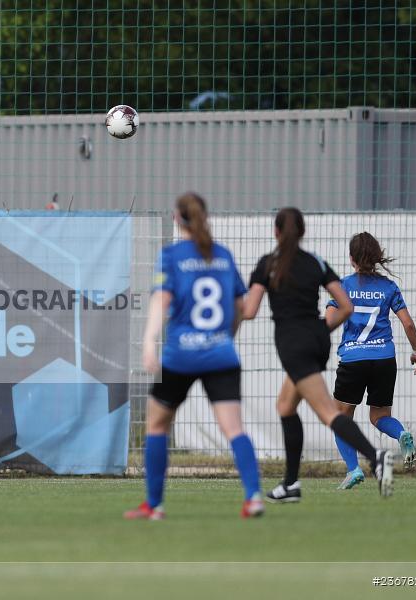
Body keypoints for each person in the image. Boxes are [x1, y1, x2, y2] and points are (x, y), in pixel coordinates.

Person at [124, 193, 264, 521]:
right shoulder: (224, 255)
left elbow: (160, 301)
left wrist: (148, 342)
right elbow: (242, 308)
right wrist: (224, 336)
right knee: (234, 429)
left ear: (176, 218)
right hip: (221, 355)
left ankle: (154, 506)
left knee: (157, 424)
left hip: (180, 356)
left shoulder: (172, 255)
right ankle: (254, 497)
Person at [242, 207, 395, 502]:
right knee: (286, 406)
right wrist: (322, 331)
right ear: (302, 232)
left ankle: (376, 459)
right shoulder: (316, 262)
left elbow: (249, 311)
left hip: (293, 345)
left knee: (329, 413)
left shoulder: (267, 264)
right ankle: (290, 485)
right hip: (314, 340)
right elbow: (346, 306)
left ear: (275, 232)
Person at [327, 232, 416, 490]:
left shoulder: (343, 285)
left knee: (339, 417)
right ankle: (401, 433)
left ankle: (354, 469)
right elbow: (408, 323)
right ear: (376, 257)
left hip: (354, 358)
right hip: (384, 359)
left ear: (351, 259)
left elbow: (329, 320)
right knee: (379, 416)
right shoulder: (389, 287)